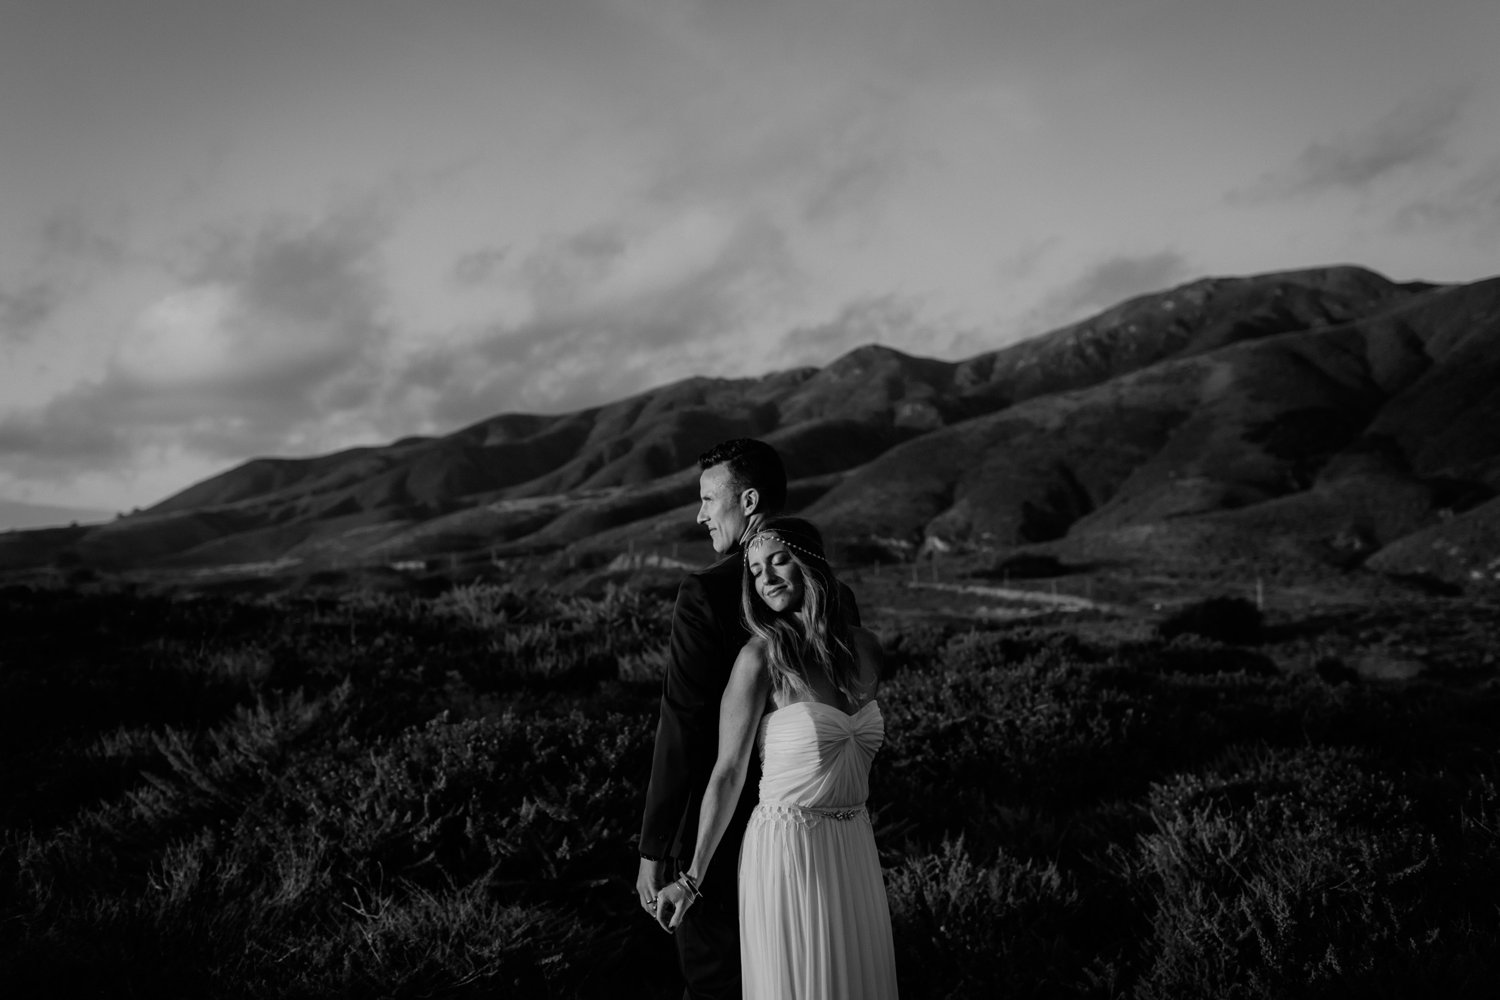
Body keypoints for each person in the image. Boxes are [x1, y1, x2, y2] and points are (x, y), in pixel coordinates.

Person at [652, 517, 898, 999]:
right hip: (788, 851)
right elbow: (727, 773)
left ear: (811, 564)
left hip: (854, 848)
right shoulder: (759, 658)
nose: (765, 577)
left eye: (777, 561)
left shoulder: (866, 648)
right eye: (755, 569)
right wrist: (690, 879)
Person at [636, 438, 791, 998]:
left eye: (707, 499)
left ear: (747, 501)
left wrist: (656, 849)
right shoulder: (831, 593)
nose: (700, 514)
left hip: (714, 838)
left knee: (716, 982)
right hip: (809, 834)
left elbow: (684, 725)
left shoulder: (706, 592)